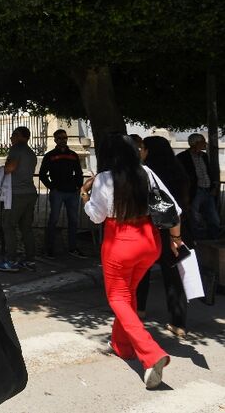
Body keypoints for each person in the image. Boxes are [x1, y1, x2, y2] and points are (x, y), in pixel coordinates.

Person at [82, 133, 181, 389]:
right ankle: (121, 345)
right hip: (149, 240)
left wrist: (85, 198)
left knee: (117, 298)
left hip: (120, 240)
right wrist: (176, 238)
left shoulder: (104, 178)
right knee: (128, 294)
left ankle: (150, 353)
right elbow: (172, 207)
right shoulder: (147, 172)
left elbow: (96, 216)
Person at [136, 136, 191, 337]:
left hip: (152, 229)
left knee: (142, 272)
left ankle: (139, 308)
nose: (141, 151)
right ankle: (178, 323)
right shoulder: (178, 171)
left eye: (143, 148)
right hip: (176, 229)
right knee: (174, 276)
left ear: (150, 151)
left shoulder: (146, 174)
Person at [0, 126, 39, 272]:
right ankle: (30, 260)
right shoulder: (31, 153)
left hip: (16, 194)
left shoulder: (16, 149)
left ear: (21, 136)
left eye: (13, 135)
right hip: (30, 192)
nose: (11, 138)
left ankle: (11, 260)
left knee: (8, 226)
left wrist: (2, 169)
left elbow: (10, 168)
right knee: (26, 228)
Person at [39, 129, 85, 260]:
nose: (62, 140)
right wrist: (52, 187)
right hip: (58, 192)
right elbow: (42, 174)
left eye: (64, 138)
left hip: (72, 192)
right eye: (59, 138)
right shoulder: (50, 156)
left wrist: (78, 185)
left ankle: (73, 247)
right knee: (53, 220)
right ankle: (50, 248)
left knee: (74, 221)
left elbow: (79, 172)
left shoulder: (73, 155)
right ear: (55, 140)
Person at [177, 133, 221, 239]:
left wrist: (214, 186)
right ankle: (197, 238)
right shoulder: (183, 157)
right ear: (195, 143)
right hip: (194, 191)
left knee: (213, 216)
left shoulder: (204, 156)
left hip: (207, 190)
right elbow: (181, 175)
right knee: (194, 216)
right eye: (202, 142)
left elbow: (208, 172)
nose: (204, 144)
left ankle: (214, 235)